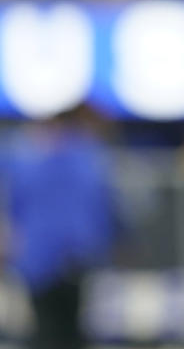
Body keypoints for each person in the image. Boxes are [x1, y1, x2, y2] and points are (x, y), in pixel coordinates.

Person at [1, 104, 120, 349]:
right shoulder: (86, 157)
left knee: (48, 327)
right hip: (71, 254)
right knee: (68, 328)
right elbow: (105, 205)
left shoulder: (28, 157)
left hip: (41, 257)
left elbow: (16, 205)